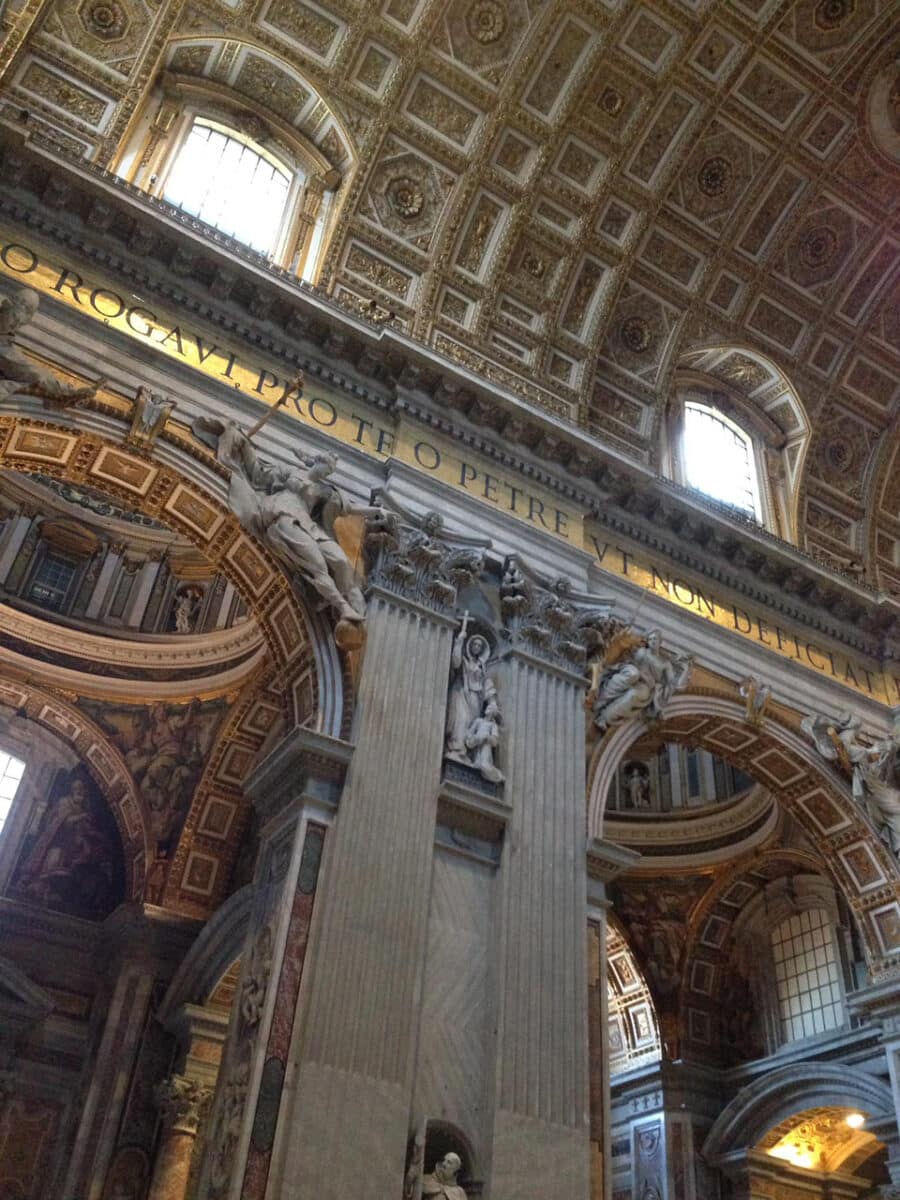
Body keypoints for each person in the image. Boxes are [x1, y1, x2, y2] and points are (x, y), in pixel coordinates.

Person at [0, 286, 104, 404]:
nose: (13, 325)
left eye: (19, 324)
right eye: (14, 318)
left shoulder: (6, 350)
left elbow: (36, 374)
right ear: (6, 306)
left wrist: (73, 392)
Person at [446, 615, 496, 761]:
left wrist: (492, 701)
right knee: (460, 720)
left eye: (480, 646)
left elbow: (487, 685)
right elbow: (455, 663)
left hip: (475, 699)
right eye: (475, 644)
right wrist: (459, 641)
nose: (477, 647)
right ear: (470, 645)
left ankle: (467, 753)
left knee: (471, 724)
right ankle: (456, 749)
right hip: (461, 693)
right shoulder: (464, 661)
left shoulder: (482, 668)